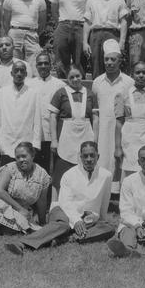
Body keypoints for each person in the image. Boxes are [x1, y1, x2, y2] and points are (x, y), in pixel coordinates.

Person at [3, 141, 114, 255]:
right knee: (63, 225)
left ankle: (68, 237)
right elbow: (65, 202)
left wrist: (99, 221)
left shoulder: (106, 175)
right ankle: (22, 243)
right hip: (62, 211)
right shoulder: (69, 174)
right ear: (80, 157)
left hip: (87, 218)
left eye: (92, 155)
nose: (89, 159)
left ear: (98, 156)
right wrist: (76, 220)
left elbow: (104, 202)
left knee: (108, 228)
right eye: (85, 156)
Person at [49, 64, 99, 197]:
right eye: (71, 77)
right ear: (67, 78)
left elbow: (95, 118)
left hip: (85, 135)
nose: (75, 79)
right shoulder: (60, 93)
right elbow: (53, 117)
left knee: (83, 170)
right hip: (66, 137)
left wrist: (95, 139)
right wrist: (54, 140)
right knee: (61, 171)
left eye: (77, 76)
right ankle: (55, 204)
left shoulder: (90, 94)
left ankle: (83, 202)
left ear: (82, 76)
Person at [91, 39, 134, 193]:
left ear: (120, 61)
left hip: (122, 130)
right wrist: (94, 138)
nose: (109, 63)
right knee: (103, 159)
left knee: (120, 160)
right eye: (106, 59)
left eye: (113, 59)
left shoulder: (129, 83)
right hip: (103, 129)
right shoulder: (97, 82)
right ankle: (103, 193)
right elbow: (95, 113)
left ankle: (120, 194)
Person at [115, 61, 145, 180]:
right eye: (138, 72)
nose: (141, 75)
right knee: (130, 176)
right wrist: (117, 147)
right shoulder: (123, 95)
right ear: (132, 75)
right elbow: (118, 123)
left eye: (144, 72)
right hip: (129, 140)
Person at [0, 60, 41, 166]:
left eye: (22, 71)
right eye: (16, 70)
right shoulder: (1, 93)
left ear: (26, 74)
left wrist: (36, 144)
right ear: (11, 73)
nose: (19, 74)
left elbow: (37, 121)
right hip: (6, 142)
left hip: (26, 142)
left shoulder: (34, 93)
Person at [49, 0, 93, 78]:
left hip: (80, 27)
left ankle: (81, 88)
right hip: (63, 25)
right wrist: (59, 22)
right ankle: (63, 89)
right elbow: (53, 7)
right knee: (61, 61)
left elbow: (90, 11)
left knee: (80, 61)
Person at [83, 0, 129, 78]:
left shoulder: (119, 0)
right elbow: (87, 22)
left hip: (112, 35)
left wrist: (122, 41)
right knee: (96, 68)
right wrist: (85, 42)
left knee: (113, 67)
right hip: (96, 36)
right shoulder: (91, 0)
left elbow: (123, 22)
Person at [2, 0, 46, 72]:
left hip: (32, 36)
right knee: (14, 67)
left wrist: (32, 32)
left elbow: (42, 23)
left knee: (34, 68)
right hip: (14, 35)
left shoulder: (39, 0)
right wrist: (15, 32)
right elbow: (5, 22)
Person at [27, 52, 66, 174]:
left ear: (51, 65)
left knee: (52, 170)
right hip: (34, 135)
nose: (43, 66)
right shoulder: (29, 84)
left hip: (53, 135)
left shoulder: (60, 85)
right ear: (36, 66)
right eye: (40, 64)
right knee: (36, 170)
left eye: (46, 63)